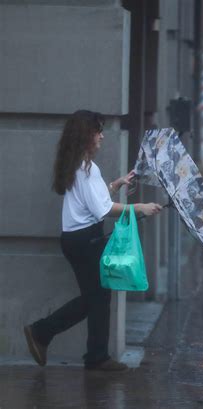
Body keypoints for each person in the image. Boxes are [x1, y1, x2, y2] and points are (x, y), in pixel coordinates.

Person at [23, 110, 161, 372]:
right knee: (95, 298)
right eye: (98, 131)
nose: (102, 137)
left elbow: (90, 199)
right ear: (85, 135)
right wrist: (139, 208)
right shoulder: (86, 168)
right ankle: (46, 334)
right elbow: (102, 210)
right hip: (84, 240)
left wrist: (114, 185)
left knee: (97, 297)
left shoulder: (79, 164)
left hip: (79, 239)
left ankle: (90, 353)